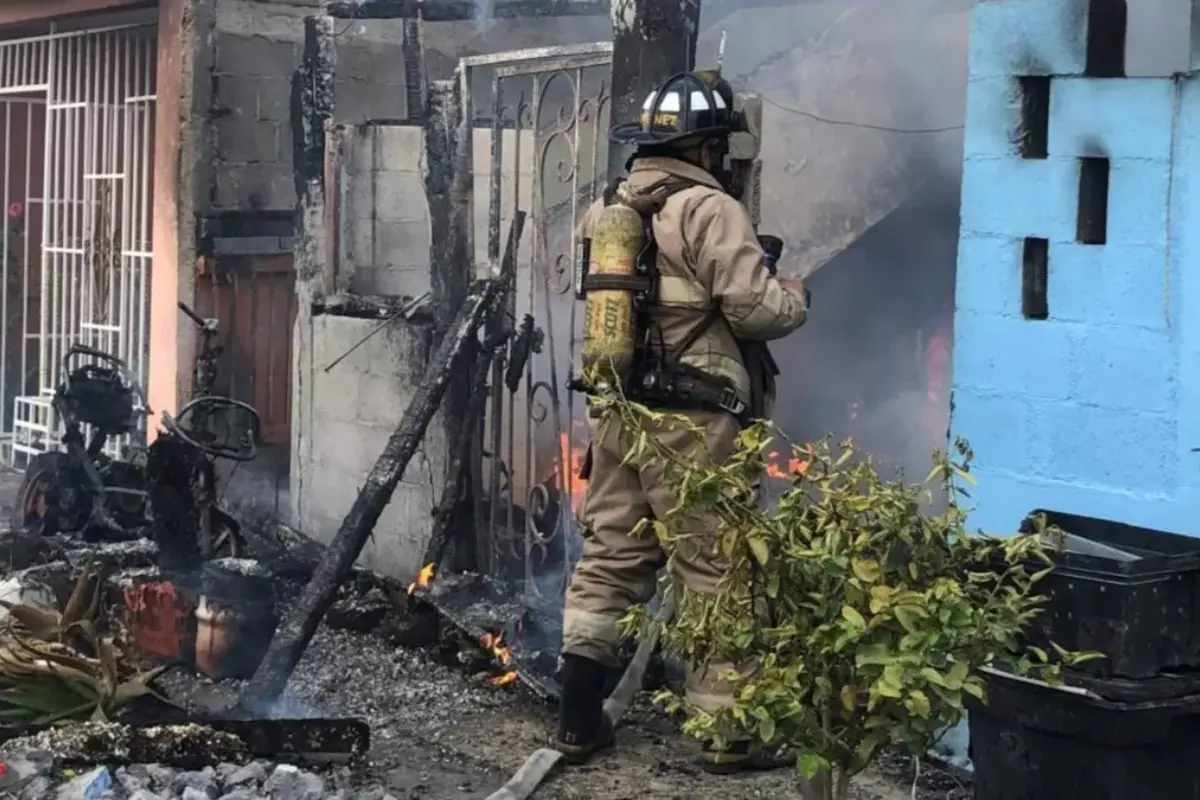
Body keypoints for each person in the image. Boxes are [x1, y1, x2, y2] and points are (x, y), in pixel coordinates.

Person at [557, 71, 809, 773]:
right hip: (695, 418)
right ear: (703, 148)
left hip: (619, 414)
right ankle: (729, 737)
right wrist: (796, 297)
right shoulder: (709, 208)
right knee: (716, 570)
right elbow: (753, 312)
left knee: (611, 556)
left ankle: (577, 721)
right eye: (721, 147)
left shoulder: (609, 209)